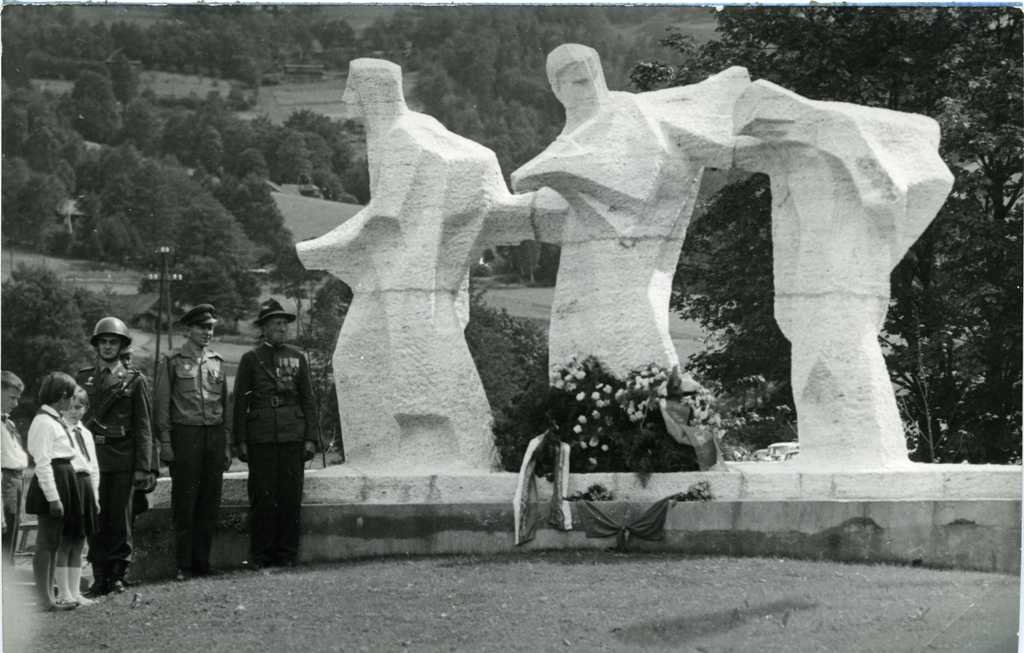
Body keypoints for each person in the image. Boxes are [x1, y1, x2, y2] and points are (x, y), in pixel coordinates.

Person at [232, 298, 317, 569]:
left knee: (291, 497)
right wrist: (240, 440)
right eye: (276, 323)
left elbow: (308, 400)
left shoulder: (297, 358)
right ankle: (261, 555)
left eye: (284, 324)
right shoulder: (250, 359)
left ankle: (287, 554)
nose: (282, 328)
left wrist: (311, 438)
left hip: (293, 436)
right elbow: (240, 402)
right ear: (264, 328)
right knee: (263, 498)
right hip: (262, 437)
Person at [75, 317, 153, 596]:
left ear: (122, 346)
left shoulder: (134, 380)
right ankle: (99, 576)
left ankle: (118, 575)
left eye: (113, 342)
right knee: (95, 517)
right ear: (96, 346)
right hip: (92, 458)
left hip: (122, 458)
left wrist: (144, 466)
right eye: (103, 342)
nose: (108, 347)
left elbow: (143, 426)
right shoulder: (83, 379)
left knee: (121, 519)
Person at [154, 304, 231, 581]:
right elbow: (161, 405)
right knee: (185, 501)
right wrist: (165, 442)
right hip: (185, 437)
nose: (207, 332)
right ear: (189, 329)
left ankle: (202, 563)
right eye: (201, 327)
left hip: (213, 436)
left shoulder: (217, 361)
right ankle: (183, 565)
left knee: (210, 501)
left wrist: (226, 444)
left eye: (210, 327)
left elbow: (225, 407)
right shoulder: (172, 361)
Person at [24, 372, 81, 611]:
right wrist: (53, 498)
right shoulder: (43, 422)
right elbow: (43, 463)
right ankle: (44, 599)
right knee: (46, 541)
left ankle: (50, 596)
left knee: (54, 541)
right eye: (71, 396)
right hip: (53, 482)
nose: (73, 401)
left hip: (63, 478)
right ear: (62, 396)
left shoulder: (55, 420)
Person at [56, 386, 99, 606]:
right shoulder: (58, 430)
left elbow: (94, 466)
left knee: (80, 541)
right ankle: (63, 593)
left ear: (86, 408)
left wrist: (95, 496)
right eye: (70, 407)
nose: (74, 412)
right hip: (68, 484)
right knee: (65, 541)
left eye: (79, 407)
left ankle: (75, 592)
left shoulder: (86, 433)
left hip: (85, 485)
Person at [1, 371, 27, 565]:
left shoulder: (8, 422)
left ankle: (7, 574)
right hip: (5, 480)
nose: (16, 403)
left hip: (16, 480)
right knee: (5, 530)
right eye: (12, 398)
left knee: (13, 529)